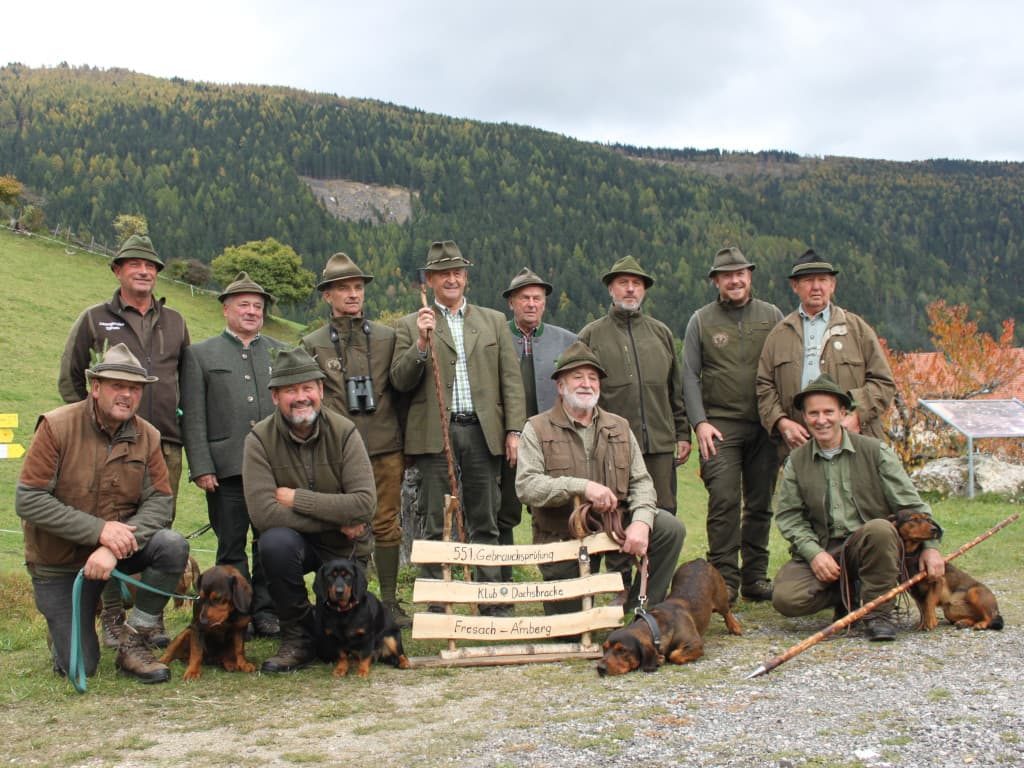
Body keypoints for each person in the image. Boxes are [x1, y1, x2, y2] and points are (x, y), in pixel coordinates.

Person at [16, 344, 190, 683]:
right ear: (95, 388)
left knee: (171, 545)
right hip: (60, 560)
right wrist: (99, 531)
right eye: (117, 386)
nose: (127, 394)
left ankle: (133, 641)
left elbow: (160, 501)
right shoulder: (56, 426)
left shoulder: (149, 435)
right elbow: (29, 500)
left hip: (118, 552)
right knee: (80, 666)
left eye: (135, 388)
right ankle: (66, 627)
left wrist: (112, 545)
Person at [58, 233, 190, 646]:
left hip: (165, 441)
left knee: (158, 529)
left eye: (150, 266)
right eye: (134, 264)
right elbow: (70, 376)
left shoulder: (176, 322)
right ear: (117, 270)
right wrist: (91, 427)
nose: (144, 270)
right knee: (111, 524)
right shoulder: (95, 318)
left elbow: (187, 379)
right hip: (109, 445)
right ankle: (113, 618)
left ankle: (151, 619)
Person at [391, 240, 526, 610]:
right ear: (430, 280)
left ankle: (491, 599)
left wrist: (514, 431)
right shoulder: (410, 325)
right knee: (436, 521)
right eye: (442, 274)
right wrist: (420, 343)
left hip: (484, 434)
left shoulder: (494, 322)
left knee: (486, 519)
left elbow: (510, 382)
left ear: (465, 278)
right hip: (435, 436)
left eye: (457, 272)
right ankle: (440, 600)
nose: (451, 279)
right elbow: (400, 382)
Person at [516, 341, 685, 616]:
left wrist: (641, 522)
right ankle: (581, 604)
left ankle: (641, 612)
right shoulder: (536, 428)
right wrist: (582, 487)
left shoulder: (618, 426)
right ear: (560, 386)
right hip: (564, 535)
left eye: (593, 378)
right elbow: (527, 486)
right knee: (568, 630)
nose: (586, 384)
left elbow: (641, 481)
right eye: (577, 377)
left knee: (669, 528)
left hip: (613, 525)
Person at [772, 375, 944, 640]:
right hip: (829, 550)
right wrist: (814, 554)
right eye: (813, 413)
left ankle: (878, 612)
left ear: (843, 413)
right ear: (804, 418)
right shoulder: (796, 461)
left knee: (880, 528)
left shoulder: (876, 451)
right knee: (786, 598)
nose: (821, 420)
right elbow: (789, 517)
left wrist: (931, 549)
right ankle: (851, 596)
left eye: (828, 412)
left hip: (873, 546)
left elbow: (912, 505)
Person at [243, 347, 376, 673]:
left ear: (320, 391)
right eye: (291, 390)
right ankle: (298, 637)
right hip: (302, 544)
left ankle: (332, 632)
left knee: (342, 642)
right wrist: (334, 518)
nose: (301, 397)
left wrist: (297, 499)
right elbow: (263, 515)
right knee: (274, 542)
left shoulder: (345, 432)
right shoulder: (258, 439)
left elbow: (364, 503)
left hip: (346, 547)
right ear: (275, 396)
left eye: (307, 388)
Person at [301, 253, 410, 626]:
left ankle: (391, 601)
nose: (352, 295)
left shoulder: (387, 337)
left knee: (386, 523)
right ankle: (345, 603)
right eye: (343, 288)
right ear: (327, 296)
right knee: (346, 524)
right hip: (337, 452)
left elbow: (404, 388)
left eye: (358, 287)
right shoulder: (312, 343)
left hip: (385, 446)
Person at [578, 255, 691, 600]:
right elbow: (581, 394)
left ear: (644, 290)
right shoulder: (592, 335)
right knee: (613, 517)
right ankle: (614, 588)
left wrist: (683, 432)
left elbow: (676, 389)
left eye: (637, 283)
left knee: (661, 517)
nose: (630, 288)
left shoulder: (661, 333)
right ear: (611, 288)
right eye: (623, 282)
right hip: (612, 447)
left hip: (658, 444)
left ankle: (651, 592)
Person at [181, 271, 286, 638]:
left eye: (258, 306)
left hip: (274, 468)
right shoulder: (200, 354)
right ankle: (232, 616)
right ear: (226, 309)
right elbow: (193, 415)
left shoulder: (279, 351)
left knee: (270, 543)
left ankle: (266, 611)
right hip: (225, 468)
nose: (252, 311)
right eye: (244, 305)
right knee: (231, 547)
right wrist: (201, 466)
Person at [682, 247, 784, 604]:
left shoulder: (771, 315)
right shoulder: (701, 320)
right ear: (716, 281)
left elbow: (785, 366)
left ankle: (755, 577)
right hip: (720, 425)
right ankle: (724, 581)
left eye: (740, 273)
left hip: (765, 424)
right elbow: (689, 376)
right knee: (724, 499)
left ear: (750, 275)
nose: (735, 279)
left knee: (759, 502)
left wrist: (783, 418)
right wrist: (700, 423)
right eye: (727, 275)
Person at [756, 249, 895, 454]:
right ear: (795, 286)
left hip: (855, 445)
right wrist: (782, 422)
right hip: (800, 448)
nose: (816, 287)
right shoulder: (779, 335)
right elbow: (763, 386)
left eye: (822, 280)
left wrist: (857, 416)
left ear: (833, 285)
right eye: (808, 280)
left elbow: (884, 382)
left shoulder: (857, 329)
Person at [497, 267, 577, 578]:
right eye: (525, 298)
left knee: (553, 511)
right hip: (509, 442)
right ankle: (502, 582)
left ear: (544, 303)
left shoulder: (567, 341)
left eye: (537, 298)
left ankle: (557, 579)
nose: (532, 304)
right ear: (511, 303)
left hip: (552, 441)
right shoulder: (496, 336)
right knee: (504, 513)